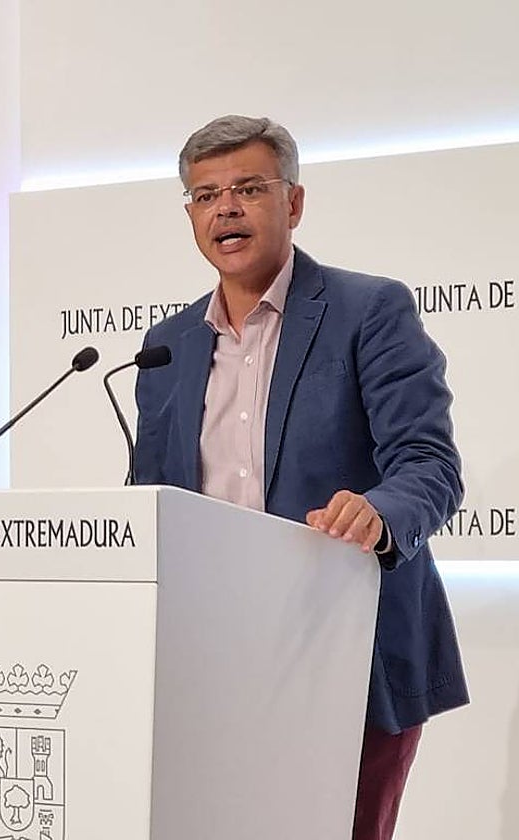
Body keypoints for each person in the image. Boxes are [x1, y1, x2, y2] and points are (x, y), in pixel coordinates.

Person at [132, 115, 468, 840]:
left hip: (346, 648)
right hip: (212, 657)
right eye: (204, 194)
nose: (225, 207)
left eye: (249, 188)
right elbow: (147, 498)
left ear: (293, 203)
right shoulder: (166, 346)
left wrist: (378, 511)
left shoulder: (368, 312)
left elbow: (430, 464)